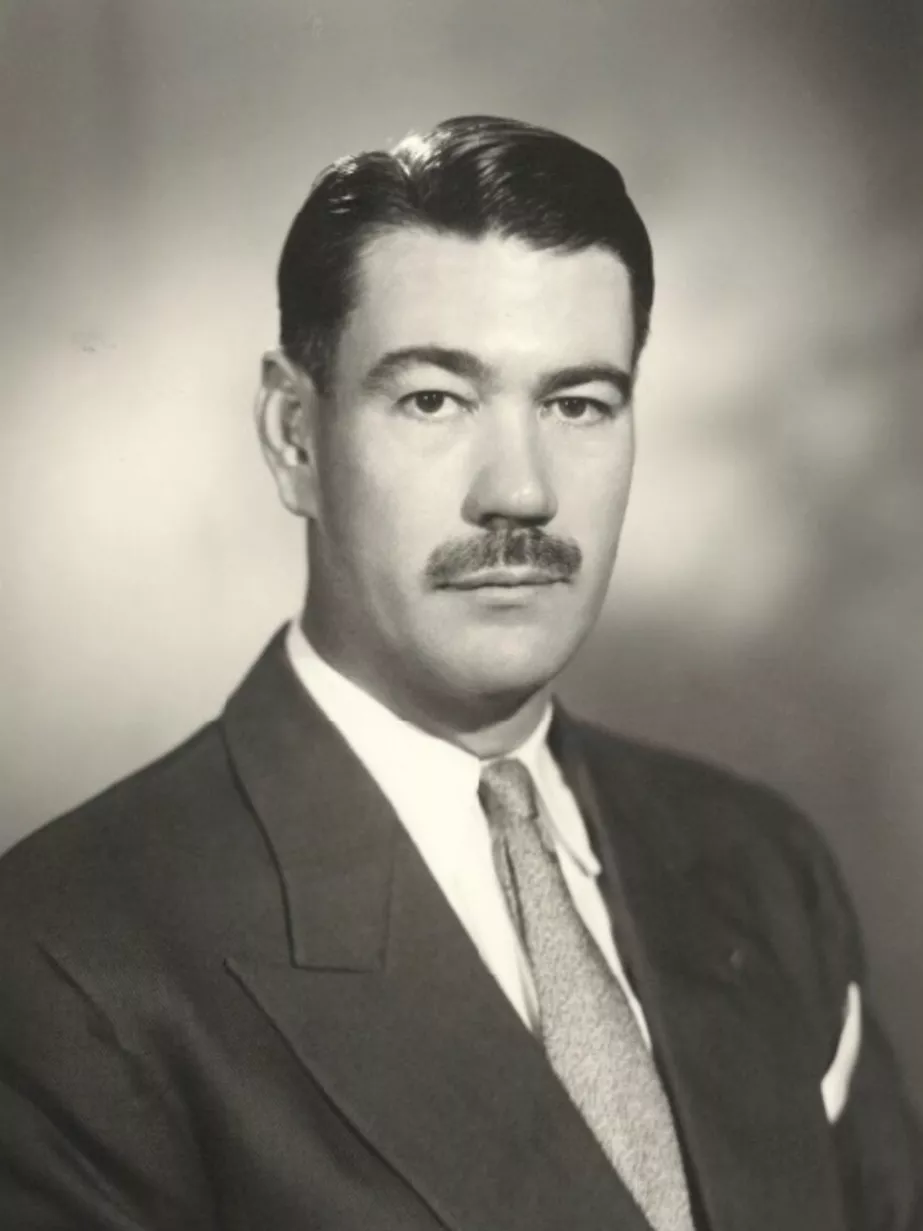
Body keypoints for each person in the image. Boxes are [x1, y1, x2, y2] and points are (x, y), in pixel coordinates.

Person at [0, 115, 919, 1231]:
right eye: (434, 398)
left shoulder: (763, 868)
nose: (520, 491)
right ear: (295, 434)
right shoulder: (68, 958)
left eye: (577, 402)